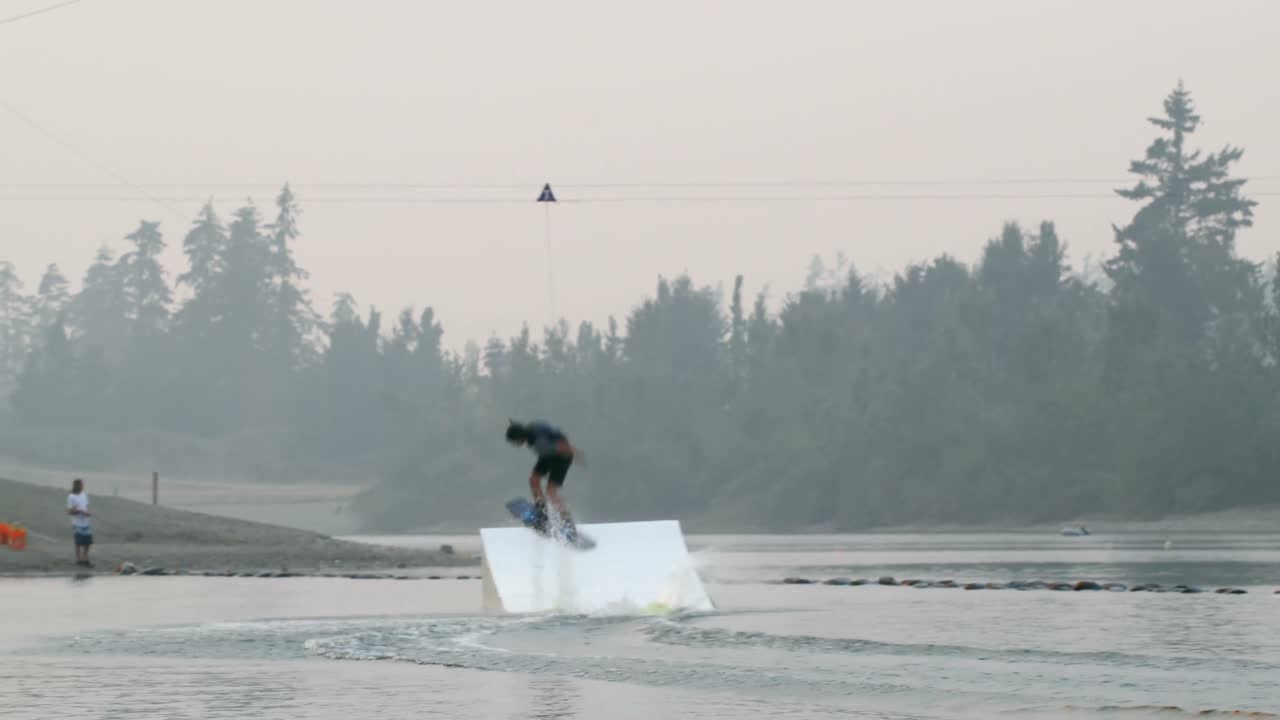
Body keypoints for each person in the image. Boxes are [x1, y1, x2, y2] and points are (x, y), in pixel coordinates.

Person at [505, 419, 583, 531]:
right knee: (533, 480)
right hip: (548, 456)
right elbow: (551, 432)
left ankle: (567, 522)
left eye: (516, 442)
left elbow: (561, 446)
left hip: (562, 458)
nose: (517, 444)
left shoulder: (539, 441)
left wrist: (576, 453)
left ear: (520, 437)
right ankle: (541, 512)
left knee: (551, 492)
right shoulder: (530, 429)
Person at [66, 478, 93, 567]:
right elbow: (69, 511)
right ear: (77, 486)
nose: (83, 486)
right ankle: (79, 560)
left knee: (88, 542)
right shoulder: (71, 496)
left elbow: (86, 506)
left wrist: (88, 512)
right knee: (78, 543)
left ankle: (85, 558)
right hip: (77, 523)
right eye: (81, 485)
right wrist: (79, 511)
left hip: (86, 522)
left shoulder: (84, 495)